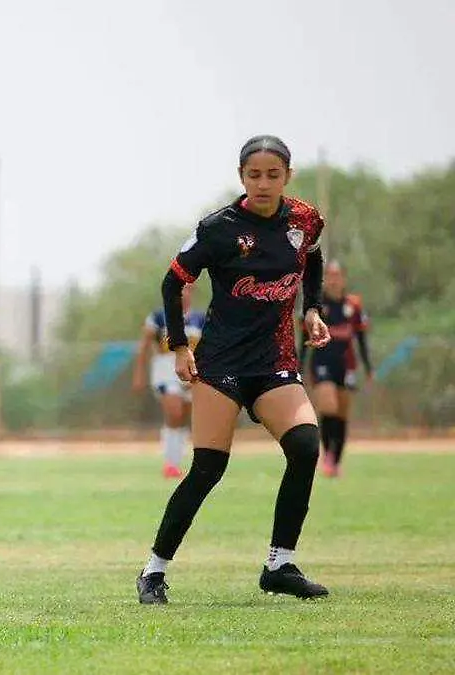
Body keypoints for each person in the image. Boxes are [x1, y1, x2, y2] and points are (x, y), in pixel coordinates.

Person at [135, 135, 332, 604]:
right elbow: (172, 282)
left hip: (274, 361)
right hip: (221, 364)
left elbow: (313, 259)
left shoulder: (305, 220)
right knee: (208, 469)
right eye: (253, 175)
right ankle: (153, 572)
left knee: (305, 447)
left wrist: (313, 309)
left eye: (273, 175)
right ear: (241, 177)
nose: (263, 183)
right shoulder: (219, 228)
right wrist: (179, 347)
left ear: (288, 176)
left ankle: (279, 565)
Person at [302, 261, 372, 478]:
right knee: (328, 406)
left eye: (337, 275)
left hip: (346, 364)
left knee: (342, 412)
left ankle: (336, 460)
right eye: (330, 275)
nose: (333, 279)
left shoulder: (353, 305)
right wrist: (299, 365)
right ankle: (328, 456)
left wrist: (368, 367)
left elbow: (361, 339)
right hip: (322, 362)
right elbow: (304, 337)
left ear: (343, 278)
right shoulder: (317, 306)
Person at [132, 284, 206, 478]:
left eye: (188, 289)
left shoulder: (200, 319)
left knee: (184, 418)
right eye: (181, 289)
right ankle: (170, 463)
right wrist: (139, 374)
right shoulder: (159, 317)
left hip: (191, 375)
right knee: (174, 412)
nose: (184, 293)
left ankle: (177, 460)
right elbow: (143, 347)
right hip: (165, 373)